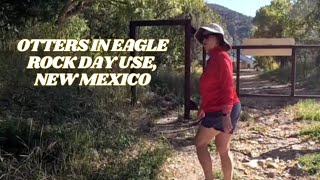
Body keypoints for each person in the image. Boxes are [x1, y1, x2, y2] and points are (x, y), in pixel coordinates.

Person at [194, 23, 241, 180]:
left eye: (208, 36)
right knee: (223, 149)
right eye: (203, 37)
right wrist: (203, 107)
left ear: (218, 39)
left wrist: (225, 114)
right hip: (223, 108)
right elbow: (211, 89)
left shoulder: (221, 57)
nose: (204, 40)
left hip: (222, 110)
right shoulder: (214, 58)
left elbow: (228, 85)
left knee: (200, 143)